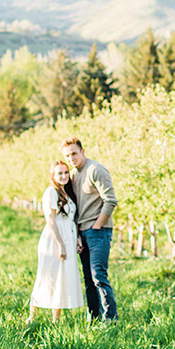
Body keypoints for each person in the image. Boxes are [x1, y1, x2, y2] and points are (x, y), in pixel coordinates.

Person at [62, 135, 119, 323]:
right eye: (68, 156)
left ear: (82, 151)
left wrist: (97, 226)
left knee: (98, 276)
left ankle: (110, 318)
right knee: (88, 279)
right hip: (83, 233)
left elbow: (110, 200)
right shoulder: (73, 175)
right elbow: (77, 208)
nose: (71, 158)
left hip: (98, 231)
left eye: (74, 154)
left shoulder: (96, 170)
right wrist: (78, 235)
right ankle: (93, 317)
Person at [28, 160, 86, 323]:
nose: (64, 176)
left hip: (68, 237)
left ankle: (56, 320)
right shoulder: (51, 192)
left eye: (66, 172)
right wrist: (61, 244)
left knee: (62, 278)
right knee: (47, 277)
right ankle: (32, 317)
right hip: (54, 239)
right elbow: (51, 221)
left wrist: (77, 239)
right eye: (59, 173)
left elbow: (71, 220)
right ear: (53, 175)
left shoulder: (67, 193)